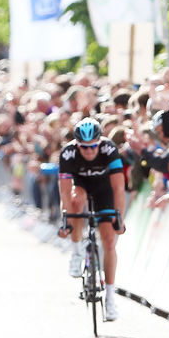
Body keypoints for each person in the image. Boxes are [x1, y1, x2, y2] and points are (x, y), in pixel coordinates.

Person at [57, 117, 126, 321]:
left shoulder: (109, 149)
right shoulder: (68, 153)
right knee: (76, 203)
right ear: (77, 144)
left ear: (99, 141)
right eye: (84, 148)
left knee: (109, 241)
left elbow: (119, 188)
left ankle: (111, 298)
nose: (88, 151)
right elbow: (64, 193)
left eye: (93, 147)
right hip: (80, 186)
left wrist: (118, 218)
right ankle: (77, 252)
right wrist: (67, 222)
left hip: (105, 188)